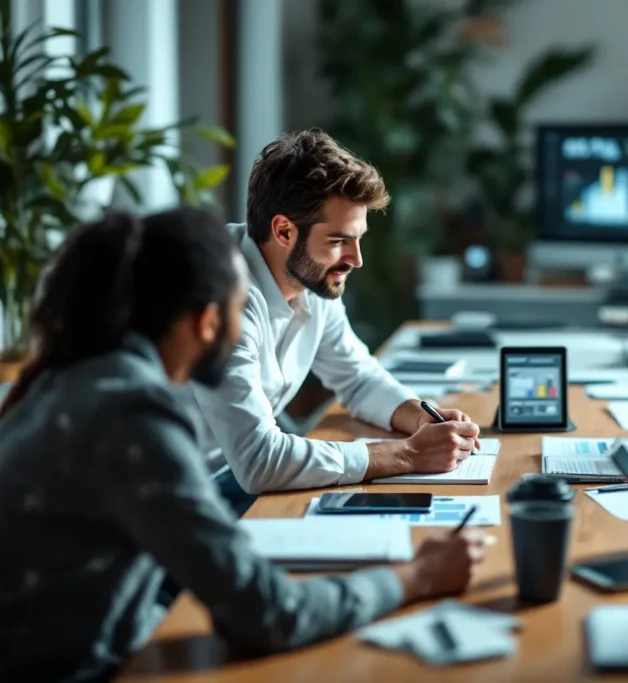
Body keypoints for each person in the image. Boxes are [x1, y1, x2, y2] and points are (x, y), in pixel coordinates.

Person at [0, 209, 491, 682]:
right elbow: (272, 615)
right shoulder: (134, 415)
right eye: (239, 311)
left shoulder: (70, 377)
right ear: (206, 322)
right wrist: (417, 576)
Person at [187, 129, 480, 502]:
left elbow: (356, 377)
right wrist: (409, 453)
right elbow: (259, 461)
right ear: (284, 231)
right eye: (340, 241)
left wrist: (418, 417)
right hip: (170, 497)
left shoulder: (310, 277)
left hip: (226, 474)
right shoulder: (224, 298)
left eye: (359, 239)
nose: (356, 260)